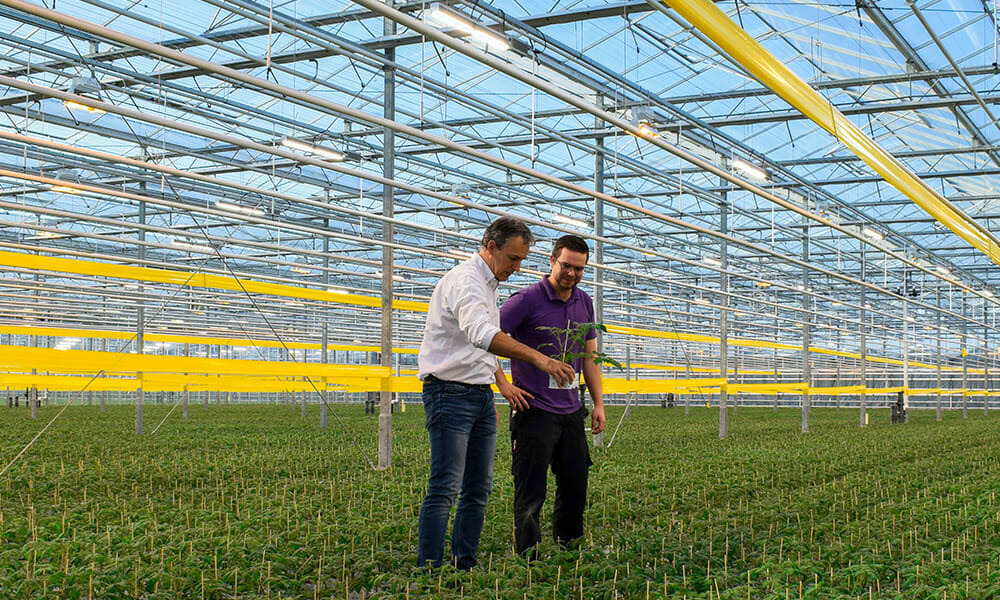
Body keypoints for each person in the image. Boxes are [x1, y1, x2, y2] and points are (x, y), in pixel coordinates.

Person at [416, 216, 575, 570]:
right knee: (445, 486)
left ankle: (465, 564)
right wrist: (541, 360)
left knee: (478, 487)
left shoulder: (489, 284)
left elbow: (482, 346)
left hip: (478, 395)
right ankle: (429, 569)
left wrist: (500, 384)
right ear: (491, 247)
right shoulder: (466, 281)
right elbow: (480, 334)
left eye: (522, 259)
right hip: (449, 393)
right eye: (513, 258)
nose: (518, 268)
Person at [496, 234, 606, 557]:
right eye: (567, 265)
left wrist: (598, 403)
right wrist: (502, 382)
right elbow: (485, 335)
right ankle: (528, 559)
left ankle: (568, 551)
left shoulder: (584, 302)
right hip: (534, 410)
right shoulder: (527, 299)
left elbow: (590, 357)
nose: (572, 273)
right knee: (531, 491)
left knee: (575, 485)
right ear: (552, 261)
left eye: (579, 268)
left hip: (572, 411)